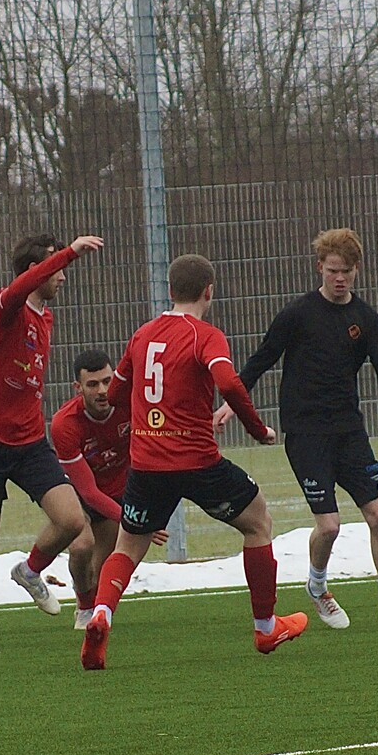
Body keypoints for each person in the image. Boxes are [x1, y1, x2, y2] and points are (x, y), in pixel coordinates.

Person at [80, 253, 307, 670]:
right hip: (199, 463)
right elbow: (229, 384)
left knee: (128, 545)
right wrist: (258, 429)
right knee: (258, 523)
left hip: (147, 466)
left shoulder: (143, 335)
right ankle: (265, 627)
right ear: (209, 291)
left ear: (170, 290)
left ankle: (102, 614)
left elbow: (114, 396)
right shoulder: (206, 335)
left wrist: (151, 419)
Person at [213, 227, 378, 630]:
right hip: (306, 434)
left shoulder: (365, 317)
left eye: (346, 272)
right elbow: (262, 358)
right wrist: (233, 402)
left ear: (356, 270)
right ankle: (317, 587)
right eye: (333, 270)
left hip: (349, 431)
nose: (339, 278)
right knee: (330, 526)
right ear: (320, 267)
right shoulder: (298, 314)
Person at [0, 232, 103, 650]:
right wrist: (70, 252)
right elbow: (19, 288)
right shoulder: (6, 307)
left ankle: (29, 571)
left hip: (29, 441)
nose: (62, 277)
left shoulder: (44, 316)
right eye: (56, 268)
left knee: (72, 521)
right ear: (36, 271)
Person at [50, 348, 167, 631]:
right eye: (92, 384)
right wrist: (134, 522)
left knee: (102, 565)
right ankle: (84, 605)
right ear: (78, 387)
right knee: (81, 547)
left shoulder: (131, 405)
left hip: (118, 490)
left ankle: (94, 606)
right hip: (81, 491)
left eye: (107, 381)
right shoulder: (65, 424)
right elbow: (88, 492)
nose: (102, 391)